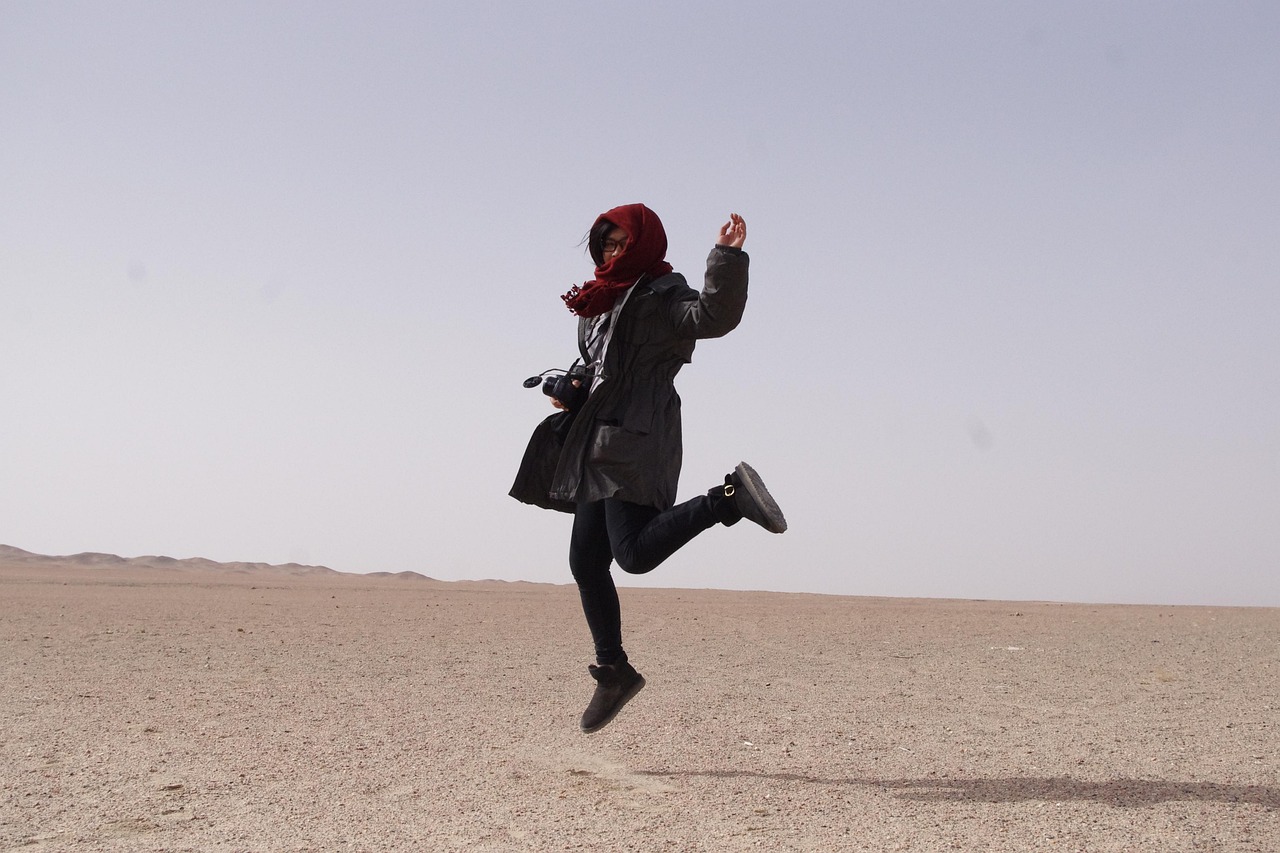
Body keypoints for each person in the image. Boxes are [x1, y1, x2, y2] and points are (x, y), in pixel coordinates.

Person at [511, 203, 786, 734]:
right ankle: (613, 671)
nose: (612, 253)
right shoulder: (600, 303)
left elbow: (712, 316)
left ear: (642, 244)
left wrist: (726, 256)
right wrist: (570, 389)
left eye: (620, 244)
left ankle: (727, 498)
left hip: (635, 437)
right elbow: (600, 368)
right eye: (605, 245)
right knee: (586, 564)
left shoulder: (662, 295)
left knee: (632, 556)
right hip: (596, 439)